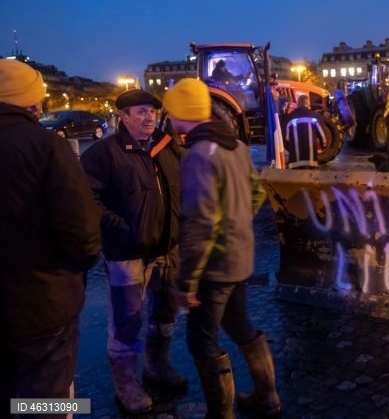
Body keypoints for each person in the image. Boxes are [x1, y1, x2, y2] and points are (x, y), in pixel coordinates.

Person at [163, 78, 280, 418]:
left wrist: (187, 282)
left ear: (184, 113)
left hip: (214, 267)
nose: (169, 118)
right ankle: (268, 397)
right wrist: (238, 224)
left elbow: (200, 222)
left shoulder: (198, 155)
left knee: (201, 341)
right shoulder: (237, 147)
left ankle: (221, 414)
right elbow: (257, 193)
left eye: (172, 111)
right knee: (241, 325)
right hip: (241, 258)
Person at [0, 59, 101, 414]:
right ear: (32, 102)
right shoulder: (46, 147)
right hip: (42, 305)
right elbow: (84, 235)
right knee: (44, 402)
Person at [80, 88, 187, 414]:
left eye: (152, 111)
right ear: (123, 117)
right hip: (127, 254)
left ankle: (156, 365)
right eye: (140, 112)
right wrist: (121, 229)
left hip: (167, 249)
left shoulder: (167, 147)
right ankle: (125, 383)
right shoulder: (103, 153)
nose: (148, 117)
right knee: (127, 319)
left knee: (165, 311)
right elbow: (88, 200)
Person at [284, 94, 327, 168]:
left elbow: (286, 139)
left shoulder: (290, 116)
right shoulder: (315, 116)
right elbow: (322, 135)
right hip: (310, 162)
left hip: (295, 162)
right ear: (308, 103)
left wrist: (290, 149)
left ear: (298, 103)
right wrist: (324, 146)